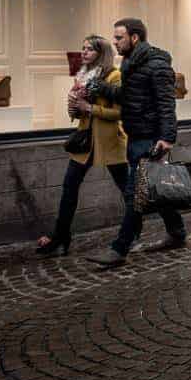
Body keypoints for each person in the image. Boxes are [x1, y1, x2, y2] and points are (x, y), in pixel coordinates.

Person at [86, 18, 186, 267]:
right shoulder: (131, 62)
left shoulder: (157, 65)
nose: (115, 42)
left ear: (135, 37)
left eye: (119, 37)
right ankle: (177, 233)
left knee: (135, 194)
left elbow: (167, 104)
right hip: (135, 136)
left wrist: (166, 138)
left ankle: (119, 250)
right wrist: (103, 89)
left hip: (150, 140)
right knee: (155, 191)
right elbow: (127, 96)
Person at [36, 35, 128, 256]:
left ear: (102, 53)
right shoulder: (84, 75)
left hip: (110, 142)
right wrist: (74, 107)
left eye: (89, 49)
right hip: (85, 142)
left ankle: (163, 221)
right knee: (69, 188)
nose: (84, 52)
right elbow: (78, 114)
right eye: (83, 48)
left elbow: (120, 112)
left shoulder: (115, 76)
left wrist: (89, 108)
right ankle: (61, 237)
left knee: (129, 191)